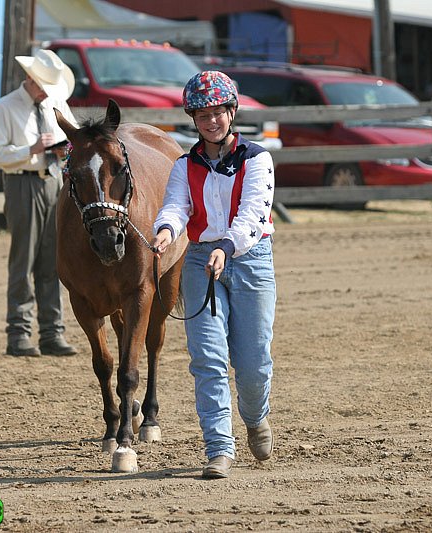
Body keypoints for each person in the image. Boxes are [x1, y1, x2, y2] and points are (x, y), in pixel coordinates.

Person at [151, 71, 277, 479]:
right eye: (202, 114)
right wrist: (166, 231)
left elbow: (253, 215)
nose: (211, 121)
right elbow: (175, 206)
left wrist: (226, 247)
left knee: (253, 362)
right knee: (207, 358)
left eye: (218, 112)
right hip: (200, 260)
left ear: (232, 111)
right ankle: (219, 448)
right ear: (193, 118)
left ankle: (256, 418)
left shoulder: (257, 159)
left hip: (250, 259)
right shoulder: (184, 165)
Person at [0, 49, 78, 357]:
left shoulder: (55, 102)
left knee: (54, 260)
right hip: (23, 183)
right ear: (29, 79)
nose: (46, 92)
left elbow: (74, 139)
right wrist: (32, 149)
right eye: (42, 85)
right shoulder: (6, 108)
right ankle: (19, 333)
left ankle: (52, 332)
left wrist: (65, 150)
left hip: (55, 182)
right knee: (23, 261)